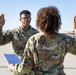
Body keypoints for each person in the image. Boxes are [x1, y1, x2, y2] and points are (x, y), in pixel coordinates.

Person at [8, 6, 76, 75]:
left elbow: (25, 68)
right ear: (57, 21)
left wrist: (13, 67)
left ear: (39, 21)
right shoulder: (65, 39)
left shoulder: (34, 40)